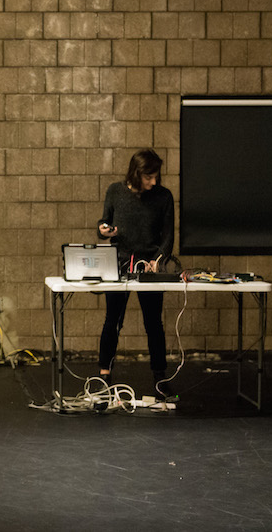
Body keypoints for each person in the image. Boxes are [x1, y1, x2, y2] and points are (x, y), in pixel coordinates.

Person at [96, 148, 178, 401]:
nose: (153, 182)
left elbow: (168, 237)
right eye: (148, 177)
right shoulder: (115, 191)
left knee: (154, 324)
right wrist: (103, 230)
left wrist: (157, 261)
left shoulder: (163, 196)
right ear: (136, 173)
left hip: (149, 268)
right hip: (119, 265)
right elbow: (103, 224)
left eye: (156, 176)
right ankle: (104, 376)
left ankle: (160, 378)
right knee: (113, 321)